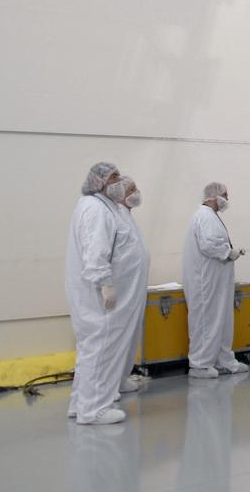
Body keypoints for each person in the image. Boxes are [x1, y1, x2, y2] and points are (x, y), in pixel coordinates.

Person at [65, 161, 148, 425]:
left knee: (93, 349)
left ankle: (80, 404)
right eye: (113, 178)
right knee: (101, 348)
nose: (119, 182)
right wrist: (105, 283)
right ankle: (93, 410)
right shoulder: (95, 209)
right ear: (99, 182)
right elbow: (96, 250)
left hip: (105, 293)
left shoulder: (104, 207)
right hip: (100, 295)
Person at [182, 182, 248, 378]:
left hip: (217, 280)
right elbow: (209, 244)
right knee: (206, 321)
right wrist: (228, 252)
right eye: (225, 195)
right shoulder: (204, 216)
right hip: (205, 280)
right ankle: (200, 365)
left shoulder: (212, 216)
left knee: (222, 320)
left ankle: (224, 361)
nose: (227, 199)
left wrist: (229, 253)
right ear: (213, 196)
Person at [107, 177, 148, 398]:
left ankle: (121, 378)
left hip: (133, 289)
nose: (136, 192)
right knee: (117, 335)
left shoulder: (127, 217)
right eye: (132, 189)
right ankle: (109, 385)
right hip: (122, 289)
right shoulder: (115, 217)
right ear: (120, 193)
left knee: (130, 335)